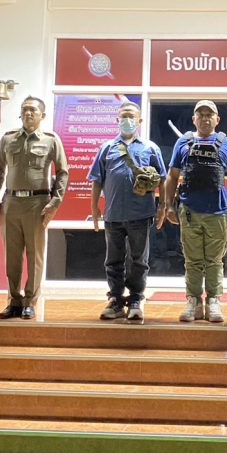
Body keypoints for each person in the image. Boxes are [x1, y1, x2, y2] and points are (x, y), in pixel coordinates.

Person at [0, 96, 69, 320]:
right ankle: (14, 301)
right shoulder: (8, 139)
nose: (28, 113)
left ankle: (30, 301)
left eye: (33, 110)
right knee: (12, 255)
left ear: (42, 115)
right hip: (11, 203)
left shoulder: (51, 140)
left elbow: (63, 172)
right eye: (25, 109)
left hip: (37, 204)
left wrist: (55, 201)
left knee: (35, 255)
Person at [164, 100, 227, 323]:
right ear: (194, 119)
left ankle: (214, 301)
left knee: (214, 260)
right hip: (189, 211)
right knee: (192, 260)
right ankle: (194, 301)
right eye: (201, 114)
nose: (205, 118)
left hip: (218, 212)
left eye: (210, 114)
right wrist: (168, 205)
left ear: (217, 119)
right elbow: (172, 176)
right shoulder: (183, 142)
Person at [89, 100, 167, 324]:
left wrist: (163, 206)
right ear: (117, 120)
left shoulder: (150, 148)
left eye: (131, 116)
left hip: (140, 214)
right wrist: (94, 208)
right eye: (123, 116)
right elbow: (97, 180)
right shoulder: (107, 148)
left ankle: (135, 299)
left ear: (140, 120)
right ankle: (115, 300)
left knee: (138, 260)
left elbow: (162, 179)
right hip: (113, 214)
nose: (127, 120)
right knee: (113, 260)